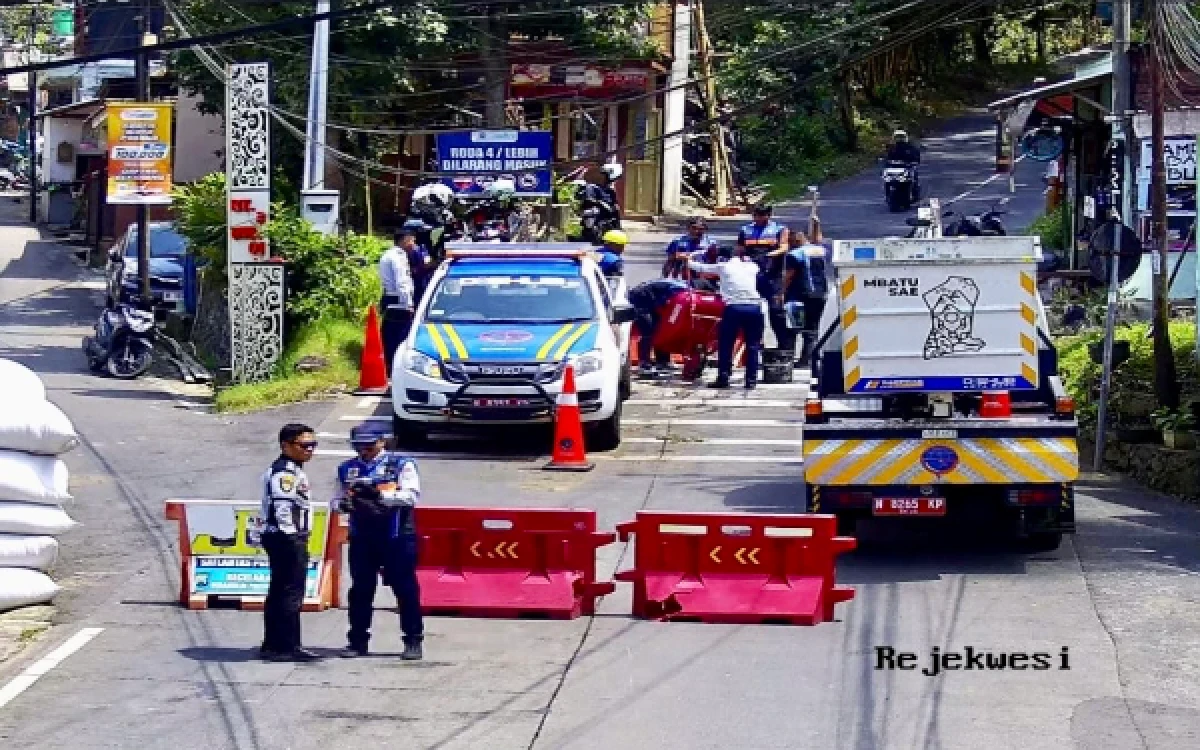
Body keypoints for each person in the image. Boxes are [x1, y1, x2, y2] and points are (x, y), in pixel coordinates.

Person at [335, 423, 424, 660]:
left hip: (396, 536)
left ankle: (413, 640)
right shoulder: (347, 469)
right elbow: (335, 500)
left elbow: (411, 496)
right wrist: (342, 505)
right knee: (361, 590)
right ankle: (357, 641)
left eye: (369, 445)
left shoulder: (401, 465)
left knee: (405, 589)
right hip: (362, 537)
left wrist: (380, 495)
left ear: (382, 442)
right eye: (359, 446)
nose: (364, 450)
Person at [259, 423, 320, 663]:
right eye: (305, 445)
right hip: (285, 538)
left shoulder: (293, 469)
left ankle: (273, 644)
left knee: (280, 591)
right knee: (290, 593)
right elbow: (282, 509)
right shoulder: (285, 473)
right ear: (286, 446)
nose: (310, 450)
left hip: (282, 536)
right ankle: (286, 646)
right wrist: (292, 538)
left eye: (313, 445)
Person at [688, 246, 768, 390]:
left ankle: (723, 378)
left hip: (734, 308)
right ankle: (751, 381)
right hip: (755, 308)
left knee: (726, 344)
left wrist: (689, 258)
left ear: (723, 258)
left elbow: (698, 267)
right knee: (753, 346)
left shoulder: (723, 266)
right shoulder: (752, 267)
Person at [627, 277, 690, 377]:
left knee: (661, 330)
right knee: (648, 331)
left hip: (650, 302)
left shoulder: (680, 285)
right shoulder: (682, 289)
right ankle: (644, 364)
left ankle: (662, 362)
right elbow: (673, 304)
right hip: (639, 301)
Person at [379, 229, 418, 377]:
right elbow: (402, 282)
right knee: (401, 338)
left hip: (391, 300)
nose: (413, 243)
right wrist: (408, 304)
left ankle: (388, 366)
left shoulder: (388, 254)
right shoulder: (398, 257)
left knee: (389, 335)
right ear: (404, 239)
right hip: (399, 303)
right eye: (412, 240)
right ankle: (396, 368)